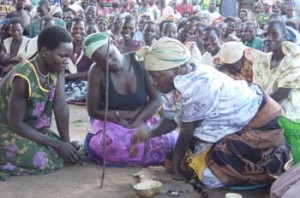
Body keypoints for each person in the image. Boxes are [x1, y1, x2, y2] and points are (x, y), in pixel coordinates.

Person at [132, 37, 289, 188]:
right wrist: (147, 134)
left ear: (178, 69)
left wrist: (175, 169)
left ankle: (262, 173)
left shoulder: (201, 83)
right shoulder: (179, 80)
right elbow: (170, 118)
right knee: (179, 159)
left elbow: (187, 129)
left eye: (157, 76)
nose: (152, 81)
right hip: (233, 126)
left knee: (208, 177)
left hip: (259, 125)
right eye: (150, 75)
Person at [82, 32, 177, 167]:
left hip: (144, 116)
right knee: (109, 144)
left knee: (167, 141)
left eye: (110, 55)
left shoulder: (139, 61)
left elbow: (156, 100)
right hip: (111, 119)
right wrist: (119, 118)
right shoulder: (96, 72)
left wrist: (137, 121)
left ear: (115, 43)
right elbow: (93, 111)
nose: (108, 62)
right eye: (102, 61)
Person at [0, 26, 80, 181]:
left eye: (68, 56)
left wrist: (66, 143)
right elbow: (15, 124)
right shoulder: (23, 78)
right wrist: (57, 145)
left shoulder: (56, 68)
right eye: (62, 56)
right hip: (8, 129)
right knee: (42, 162)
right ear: (44, 52)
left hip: (32, 128)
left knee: (66, 152)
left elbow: (61, 106)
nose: (66, 61)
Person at [253, 20, 300, 121]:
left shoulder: (296, 57)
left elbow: (283, 92)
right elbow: (257, 88)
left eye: (274, 34)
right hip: (265, 112)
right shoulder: (263, 59)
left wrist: (255, 108)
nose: (269, 39)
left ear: (285, 35)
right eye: (266, 35)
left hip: (288, 116)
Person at [65, 17, 93, 104]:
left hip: (86, 85)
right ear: (70, 30)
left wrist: (70, 76)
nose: (78, 31)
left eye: (81, 28)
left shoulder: (90, 47)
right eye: (75, 28)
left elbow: (95, 71)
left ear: (85, 30)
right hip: (67, 85)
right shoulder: (65, 46)